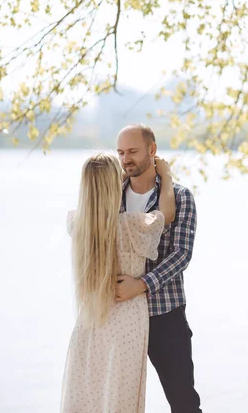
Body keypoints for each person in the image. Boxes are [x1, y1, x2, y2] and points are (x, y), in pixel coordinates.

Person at [61, 152, 176, 413]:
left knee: (89, 399)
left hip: (89, 323)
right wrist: (166, 176)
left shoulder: (77, 223)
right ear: (116, 183)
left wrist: (107, 179)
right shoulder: (131, 225)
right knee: (118, 400)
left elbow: (97, 201)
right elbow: (166, 214)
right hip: (126, 324)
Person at [116, 124, 203, 413]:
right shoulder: (110, 196)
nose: (125, 159)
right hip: (119, 316)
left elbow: (181, 255)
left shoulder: (180, 196)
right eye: (120, 153)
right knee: (116, 402)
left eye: (132, 151)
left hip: (165, 317)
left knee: (184, 404)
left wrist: (140, 285)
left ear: (152, 150)